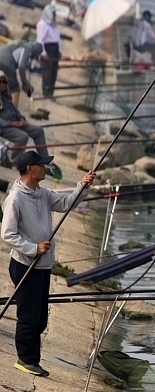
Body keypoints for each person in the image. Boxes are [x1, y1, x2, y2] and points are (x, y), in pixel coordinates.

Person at [2, 151, 95, 377]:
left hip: (43, 265)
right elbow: (7, 234)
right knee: (29, 315)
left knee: (41, 317)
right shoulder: (16, 198)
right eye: (42, 165)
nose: (46, 168)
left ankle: (32, 357)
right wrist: (33, 248)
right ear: (30, 169)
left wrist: (82, 187)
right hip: (25, 264)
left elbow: (65, 204)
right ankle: (26, 360)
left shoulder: (42, 193)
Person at [0, 71, 51, 165]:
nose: (3, 84)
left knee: (38, 130)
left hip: (16, 123)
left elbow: (15, 110)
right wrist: (11, 124)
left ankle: (45, 161)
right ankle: (16, 161)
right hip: (4, 127)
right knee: (23, 136)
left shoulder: (5, 96)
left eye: (4, 82)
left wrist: (21, 118)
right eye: (0, 82)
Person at [37, 4, 67, 98]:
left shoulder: (54, 25)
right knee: (47, 72)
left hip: (54, 49)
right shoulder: (42, 24)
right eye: (53, 14)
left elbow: (57, 39)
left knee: (54, 72)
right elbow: (40, 40)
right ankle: (46, 92)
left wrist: (60, 50)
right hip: (47, 48)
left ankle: (50, 92)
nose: (54, 15)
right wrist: (43, 52)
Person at [0, 41, 42, 106]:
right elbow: (21, 66)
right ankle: (14, 113)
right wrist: (25, 83)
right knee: (15, 89)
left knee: (4, 82)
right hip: (7, 62)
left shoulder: (22, 43)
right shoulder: (29, 48)